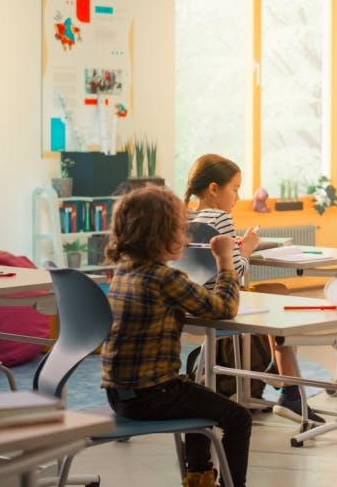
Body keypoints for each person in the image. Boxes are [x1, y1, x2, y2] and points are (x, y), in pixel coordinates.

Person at [101, 185, 252, 487]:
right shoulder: (164, 277)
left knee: (196, 393)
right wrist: (225, 260)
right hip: (152, 395)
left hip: (118, 395)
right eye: (181, 229)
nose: (186, 238)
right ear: (162, 235)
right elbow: (225, 307)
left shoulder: (123, 272)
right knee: (239, 419)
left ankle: (199, 477)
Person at [184, 154, 323, 425]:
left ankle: (276, 370)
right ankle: (289, 389)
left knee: (276, 289)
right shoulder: (221, 218)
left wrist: (233, 249)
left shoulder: (189, 217)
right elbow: (234, 273)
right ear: (214, 189)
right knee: (279, 296)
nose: (237, 197)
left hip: (195, 307)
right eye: (234, 189)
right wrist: (246, 247)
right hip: (224, 307)